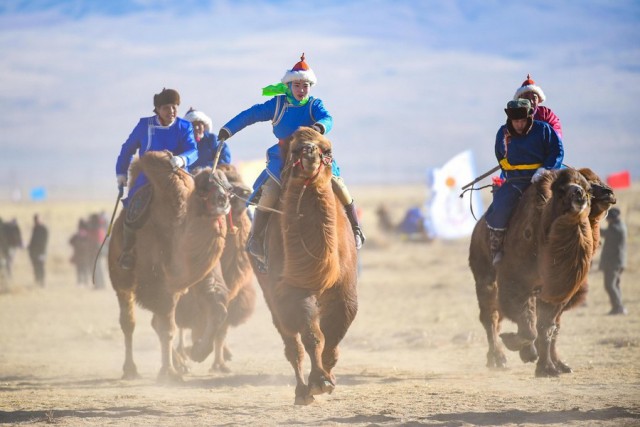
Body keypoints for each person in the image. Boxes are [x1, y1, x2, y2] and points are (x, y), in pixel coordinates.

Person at [216, 53, 365, 266]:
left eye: (305, 85)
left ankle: (356, 228)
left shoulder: (314, 105)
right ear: (289, 85)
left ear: (310, 86)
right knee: (270, 191)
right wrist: (227, 129)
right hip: (285, 155)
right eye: (297, 85)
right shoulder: (277, 105)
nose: (301, 89)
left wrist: (320, 127)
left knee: (338, 185)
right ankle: (256, 239)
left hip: (315, 153)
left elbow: (328, 118)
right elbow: (250, 114)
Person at [115, 88, 198, 270]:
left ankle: (196, 252)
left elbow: (193, 150)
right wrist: (121, 173)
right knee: (133, 211)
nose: (172, 111)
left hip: (177, 174)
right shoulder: (145, 125)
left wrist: (182, 159)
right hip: (149, 176)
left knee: (195, 209)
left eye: (175, 107)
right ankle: (128, 251)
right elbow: (128, 148)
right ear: (158, 109)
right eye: (167, 108)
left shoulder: (184, 127)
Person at [485, 98, 563, 265]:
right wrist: (511, 170)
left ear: (529, 118)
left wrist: (545, 169)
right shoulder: (503, 132)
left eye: (522, 120)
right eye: (515, 121)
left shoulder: (544, 130)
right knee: (500, 206)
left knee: (562, 203)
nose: (519, 124)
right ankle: (496, 247)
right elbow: (500, 155)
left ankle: (566, 245)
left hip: (541, 179)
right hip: (515, 180)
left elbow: (556, 152)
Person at [514, 74, 563, 139]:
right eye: (526, 97)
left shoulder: (546, 114)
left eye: (534, 98)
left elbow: (556, 135)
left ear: (539, 100)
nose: (530, 101)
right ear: (519, 100)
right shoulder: (513, 116)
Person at [184, 108, 231, 174]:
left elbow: (224, 158)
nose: (196, 127)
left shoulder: (213, 140)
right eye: (193, 125)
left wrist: (208, 170)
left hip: (211, 177)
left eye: (198, 124)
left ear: (204, 126)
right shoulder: (183, 143)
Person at [599, 207, 627, 315]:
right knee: (615, 285)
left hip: (613, 263)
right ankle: (619, 307)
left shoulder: (616, 228)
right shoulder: (619, 226)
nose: (607, 220)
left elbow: (605, 233)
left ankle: (618, 307)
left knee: (610, 285)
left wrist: (594, 225)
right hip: (617, 262)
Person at [28, 214, 48, 287]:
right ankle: (37, 281)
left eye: (38, 219)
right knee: (36, 268)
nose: (36, 221)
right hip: (34, 252)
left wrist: (42, 252)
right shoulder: (35, 228)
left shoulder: (43, 229)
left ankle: (42, 282)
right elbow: (32, 240)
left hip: (41, 252)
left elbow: (44, 241)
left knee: (41, 267)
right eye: (35, 219)